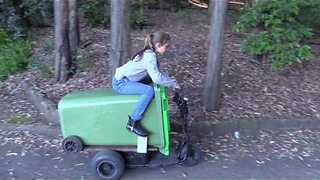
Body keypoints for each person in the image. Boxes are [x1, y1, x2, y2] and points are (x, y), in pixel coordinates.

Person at [112, 31, 179, 137]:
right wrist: (172, 84)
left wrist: (170, 81)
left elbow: (158, 73)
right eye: (166, 46)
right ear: (158, 45)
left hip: (129, 79)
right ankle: (133, 123)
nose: (167, 48)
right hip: (120, 83)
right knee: (149, 91)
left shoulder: (149, 52)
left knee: (151, 80)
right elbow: (157, 78)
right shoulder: (150, 56)